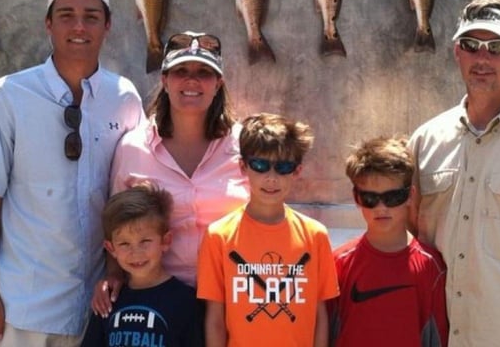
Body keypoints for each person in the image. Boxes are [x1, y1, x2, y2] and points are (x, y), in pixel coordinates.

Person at [0, 0, 144, 347]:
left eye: (92, 16)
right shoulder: (10, 95)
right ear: (48, 23)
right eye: (66, 15)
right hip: (22, 305)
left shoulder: (123, 97)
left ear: (107, 25)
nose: (79, 26)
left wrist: (116, 273)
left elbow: (128, 200)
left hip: (96, 304)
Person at [409, 0, 500, 346]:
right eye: (471, 44)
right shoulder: (425, 140)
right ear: (456, 52)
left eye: (497, 46)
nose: (482, 58)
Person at [94, 31, 248, 314]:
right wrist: (113, 273)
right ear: (164, 80)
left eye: (204, 72)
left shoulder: (245, 148)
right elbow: (115, 223)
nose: (192, 80)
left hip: (232, 300)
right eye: (181, 71)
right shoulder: (133, 148)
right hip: (158, 303)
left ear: (218, 83)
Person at [197, 112, 339, 347]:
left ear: (297, 171)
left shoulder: (316, 236)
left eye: (283, 167)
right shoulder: (218, 236)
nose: (271, 178)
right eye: (260, 165)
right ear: (243, 167)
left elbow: (319, 313)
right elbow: (215, 319)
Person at [330, 136, 448, 347]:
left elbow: (439, 337)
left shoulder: (432, 266)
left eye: (393, 197)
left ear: (410, 196)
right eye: (370, 198)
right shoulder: (338, 263)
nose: (381, 207)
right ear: (356, 198)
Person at [81, 183, 203, 347]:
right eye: (124, 244)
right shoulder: (107, 301)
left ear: (165, 241)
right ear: (111, 248)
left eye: (145, 241)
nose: (135, 252)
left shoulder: (186, 301)